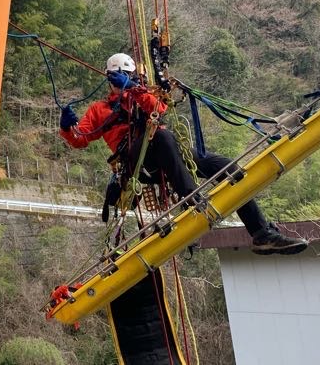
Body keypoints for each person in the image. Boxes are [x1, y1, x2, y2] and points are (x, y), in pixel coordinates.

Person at [58, 53, 307, 255]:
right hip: (136, 160)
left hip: (168, 152)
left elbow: (159, 108)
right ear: (110, 79)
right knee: (163, 137)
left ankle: (261, 233)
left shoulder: (142, 94)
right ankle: (191, 198)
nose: (123, 80)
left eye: (128, 76)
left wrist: (135, 90)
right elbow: (80, 139)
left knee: (227, 167)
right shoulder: (100, 109)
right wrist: (66, 126)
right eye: (119, 77)